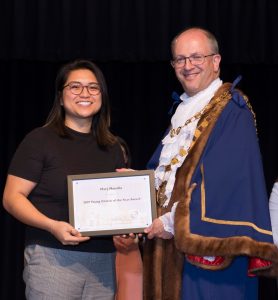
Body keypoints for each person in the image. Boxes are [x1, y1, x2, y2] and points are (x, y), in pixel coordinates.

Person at [143, 27, 278, 300]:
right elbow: (162, 174)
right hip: (169, 250)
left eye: (196, 57)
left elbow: (227, 182)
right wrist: (130, 189)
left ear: (216, 62)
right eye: (179, 59)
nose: (187, 65)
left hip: (210, 252)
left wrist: (171, 222)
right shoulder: (183, 110)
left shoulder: (232, 108)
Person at [2, 59, 126, 299]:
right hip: (52, 255)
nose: (85, 93)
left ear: (102, 95)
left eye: (93, 87)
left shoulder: (113, 148)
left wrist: (129, 222)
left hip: (104, 261)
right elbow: (11, 197)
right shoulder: (39, 140)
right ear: (60, 97)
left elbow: (117, 206)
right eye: (75, 87)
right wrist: (52, 226)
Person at [113, 136, 143, 300]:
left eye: (121, 153)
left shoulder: (136, 185)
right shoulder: (88, 189)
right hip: (99, 253)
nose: (117, 157)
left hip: (129, 252)